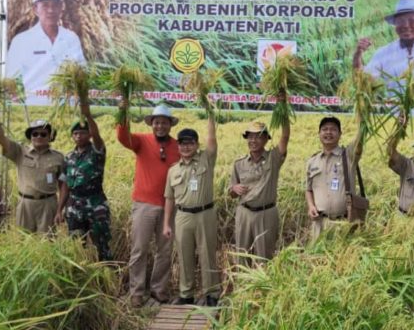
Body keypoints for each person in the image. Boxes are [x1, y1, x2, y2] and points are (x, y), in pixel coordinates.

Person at [117, 104, 180, 308]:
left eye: (164, 122)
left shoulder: (178, 146)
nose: (160, 125)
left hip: (169, 206)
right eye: (157, 122)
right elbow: (122, 137)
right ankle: (136, 291)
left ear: (170, 125)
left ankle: (159, 289)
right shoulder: (141, 141)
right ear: (151, 124)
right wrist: (123, 112)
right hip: (144, 204)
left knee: (164, 249)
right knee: (139, 248)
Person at [162, 115, 220, 307]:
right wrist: (166, 224)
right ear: (178, 146)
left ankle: (211, 293)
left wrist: (209, 111)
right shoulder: (173, 170)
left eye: (190, 143)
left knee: (207, 255)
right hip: (183, 216)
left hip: (205, 214)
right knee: (184, 255)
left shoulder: (206, 159)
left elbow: (212, 138)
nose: (186, 147)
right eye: (182, 144)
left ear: (196, 145)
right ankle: (186, 294)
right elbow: (169, 198)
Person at [0, 101, 65, 232]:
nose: (38, 137)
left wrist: (60, 209)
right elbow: (1, 138)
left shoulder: (58, 157)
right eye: (35, 134)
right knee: (23, 241)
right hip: (25, 203)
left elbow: (63, 185)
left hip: (48, 204)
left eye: (43, 134)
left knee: (47, 243)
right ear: (30, 137)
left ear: (50, 137)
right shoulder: (20, 152)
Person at [6, 0, 86, 106]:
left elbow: (82, 72)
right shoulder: (21, 41)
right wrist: (18, 106)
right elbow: (11, 79)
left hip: (68, 108)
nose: (50, 10)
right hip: (34, 108)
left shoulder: (71, 38)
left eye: (55, 5)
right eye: (45, 5)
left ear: (61, 8)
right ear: (35, 9)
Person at [55, 99, 113, 261]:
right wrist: (59, 210)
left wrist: (87, 115)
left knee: (102, 244)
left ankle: (109, 278)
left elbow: (97, 136)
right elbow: (65, 185)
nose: (79, 136)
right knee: (76, 247)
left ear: (89, 135)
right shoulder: (69, 157)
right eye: (75, 133)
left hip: (95, 205)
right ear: (72, 136)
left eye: (83, 132)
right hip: (74, 206)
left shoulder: (97, 151)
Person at [229, 119, 290, 263]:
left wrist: (283, 109)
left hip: (266, 213)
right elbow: (231, 193)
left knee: (265, 257)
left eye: (257, 136)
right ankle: (242, 284)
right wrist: (234, 188)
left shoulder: (273, 158)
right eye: (250, 136)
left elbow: (285, 136)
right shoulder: (239, 163)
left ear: (265, 139)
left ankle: (262, 285)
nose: (253, 140)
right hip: (244, 213)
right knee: (242, 256)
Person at [305, 116, 363, 239]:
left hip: (344, 222)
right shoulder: (312, 161)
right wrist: (311, 206)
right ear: (319, 133)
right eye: (324, 129)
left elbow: (360, 138)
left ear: (340, 134)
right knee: (317, 257)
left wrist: (362, 115)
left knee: (343, 257)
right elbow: (308, 189)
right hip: (319, 223)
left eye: (333, 129)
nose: (328, 132)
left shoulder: (349, 155)